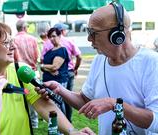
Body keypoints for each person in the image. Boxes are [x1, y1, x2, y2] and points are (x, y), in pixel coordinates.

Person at [35, 3, 158, 135]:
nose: (89, 38)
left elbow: (156, 121)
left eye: (93, 33)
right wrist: (60, 89)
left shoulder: (151, 62)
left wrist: (114, 104)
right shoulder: (99, 60)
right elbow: (85, 101)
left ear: (117, 35)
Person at [0, 23, 76, 135]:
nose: (13, 47)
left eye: (12, 42)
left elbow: (44, 106)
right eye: (6, 43)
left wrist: (72, 131)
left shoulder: (20, 72)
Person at [42, 22, 82, 122]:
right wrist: (45, 67)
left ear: (60, 35)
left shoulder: (62, 50)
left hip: (60, 79)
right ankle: (58, 125)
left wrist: (44, 67)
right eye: (50, 37)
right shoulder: (50, 49)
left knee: (60, 102)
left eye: (54, 36)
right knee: (55, 103)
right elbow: (41, 64)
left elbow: (55, 67)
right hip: (50, 79)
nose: (51, 39)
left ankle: (63, 125)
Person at [14, 20, 40, 128]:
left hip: (18, 71)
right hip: (31, 71)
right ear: (25, 28)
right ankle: (34, 123)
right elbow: (37, 56)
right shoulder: (33, 39)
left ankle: (22, 120)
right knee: (34, 97)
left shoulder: (13, 39)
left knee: (20, 96)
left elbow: (14, 57)